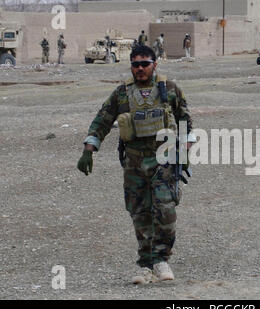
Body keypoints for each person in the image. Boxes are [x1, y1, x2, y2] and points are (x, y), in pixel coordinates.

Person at [77, 45, 195, 284]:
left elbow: (185, 121)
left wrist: (185, 150)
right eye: (135, 64)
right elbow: (103, 119)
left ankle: (162, 260)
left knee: (165, 210)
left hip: (164, 158)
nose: (140, 68)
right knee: (139, 212)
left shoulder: (169, 89)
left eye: (145, 63)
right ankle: (145, 264)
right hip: (133, 161)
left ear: (155, 64)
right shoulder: (122, 93)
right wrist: (89, 149)